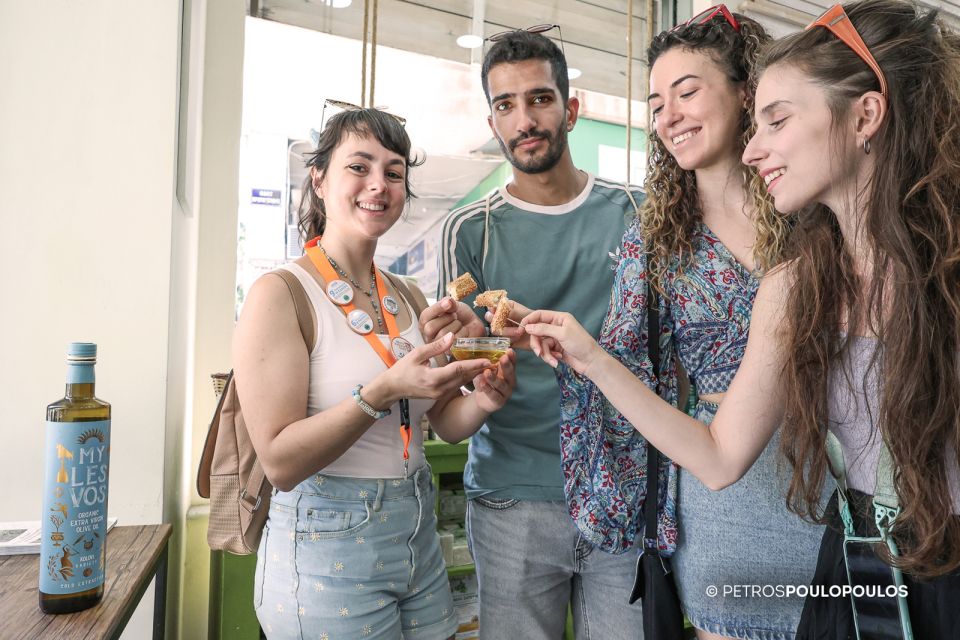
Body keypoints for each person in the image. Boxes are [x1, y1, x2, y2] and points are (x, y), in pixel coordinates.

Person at [523, 0, 960, 636]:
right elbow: (720, 455)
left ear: (866, 114)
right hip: (837, 554)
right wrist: (590, 358)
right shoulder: (794, 280)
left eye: (775, 120)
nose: (757, 149)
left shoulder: (839, 255)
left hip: (849, 542)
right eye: (655, 103)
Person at [537, 8, 825, 638]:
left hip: (836, 475)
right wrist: (578, 356)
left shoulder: (814, 211)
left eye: (688, 92)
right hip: (728, 492)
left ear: (747, 91)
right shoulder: (658, 241)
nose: (669, 115)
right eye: (656, 102)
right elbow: (626, 373)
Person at [233, 107, 517, 640]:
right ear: (318, 179)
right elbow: (280, 463)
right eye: (358, 167)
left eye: (393, 172)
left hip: (417, 539)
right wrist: (383, 390)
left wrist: (483, 398)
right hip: (325, 547)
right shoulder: (281, 294)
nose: (378, 185)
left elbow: (444, 424)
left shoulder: (406, 293)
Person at [420, 29, 644, 639]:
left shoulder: (637, 213)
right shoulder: (473, 229)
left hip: (622, 486)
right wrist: (473, 351)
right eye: (506, 104)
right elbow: (466, 384)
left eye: (540, 99)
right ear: (492, 122)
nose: (525, 119)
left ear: (570, 109)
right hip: (511, 495)